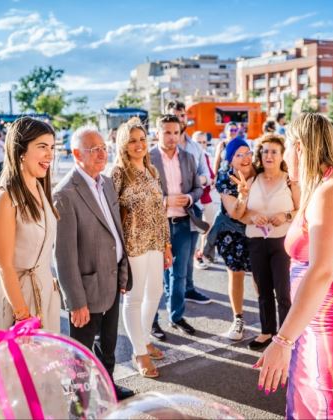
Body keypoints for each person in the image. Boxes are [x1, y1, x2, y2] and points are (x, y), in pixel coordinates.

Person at [256, 113, 333, 419]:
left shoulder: (330, 191)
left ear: (299, 147)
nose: (284, 155)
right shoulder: (322, 187)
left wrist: (282, 339)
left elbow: (322, 271)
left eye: (286, 147)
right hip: (316, 324)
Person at [53, 125, 134, 400]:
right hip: (86, 288)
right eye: (94, 149)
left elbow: (115, 232)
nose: (102, 153)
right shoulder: (65, 193)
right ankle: (79, 403)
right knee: (81, 352)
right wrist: (76, 301)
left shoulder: (106, 181)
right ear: (77, 154)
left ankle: (107, 387)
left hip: (110, 280)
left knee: (108, 345)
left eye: (103, 147)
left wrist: (122, 272)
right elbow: (63, 255)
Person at [0, 116, 61, 333]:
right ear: (21, 151)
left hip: (44, 298)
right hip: (14, 304)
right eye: (42, 147)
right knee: (15, 367)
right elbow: (3, 264)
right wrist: (23, 316)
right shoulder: (5, 197)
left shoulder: (39, 186)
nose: (50, 154)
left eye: (52, 147)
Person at [111, 118, 171, 379]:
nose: (139, 144)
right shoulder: (118, 173)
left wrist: (167, 244)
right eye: (133, 140)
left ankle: (144, 338)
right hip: (133, 244)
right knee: (133, 299)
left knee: (156, 291)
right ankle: (139, 352)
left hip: (156, 242)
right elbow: (111, 215)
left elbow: (161, 211)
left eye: (142, 139)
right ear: (123, 144)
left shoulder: (152, 170)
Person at [239, 134, 299, 350]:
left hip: (282, 241)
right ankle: (266, 332)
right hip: (256, 240)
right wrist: (252, 216)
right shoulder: (252, 180)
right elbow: (241, 215)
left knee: (283, 292)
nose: (269, 155)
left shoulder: (290, 180)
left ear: (282, 155)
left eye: (274, 151)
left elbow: (301, 210)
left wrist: (286, 216)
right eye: (265, 151)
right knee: (263, 290)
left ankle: (285, 336)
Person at [149, 114, 204, 339]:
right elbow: (140, 193)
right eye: (167, 132)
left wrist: (190, 198)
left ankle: (176, 316)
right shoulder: (147, 157)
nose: (172, 137)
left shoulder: (189, 157)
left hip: (182, 222)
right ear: (157, 133)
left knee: (178, 275)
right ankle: (151, 321)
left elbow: (198, 189)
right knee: (154, 277)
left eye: (176, 132)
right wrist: (164, 201)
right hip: (156, 225)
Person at [165, 101, 212, 304]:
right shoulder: (157, 150)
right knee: (168, 258)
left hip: (193, 208)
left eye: (182, 115)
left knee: (189, 253)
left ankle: (189, 289)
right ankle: (171, 294)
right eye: (174, 115)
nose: (179, 119)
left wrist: (193, 185)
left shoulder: (194, 147)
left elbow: (206, 175)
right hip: (168, 212)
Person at [212, 138, 256, 340]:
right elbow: (235, 213)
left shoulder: (262, 173)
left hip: (259, 231)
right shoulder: (225, 178)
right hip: (233, 234)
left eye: (248, 153)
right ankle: (238, 319)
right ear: (230, 160)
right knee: (236, 275)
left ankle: (267, 316)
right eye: (239, 155)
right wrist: (243, 195)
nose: (245, 158)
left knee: (260, 277)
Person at [192, 131, 217, 270]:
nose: (201, 145)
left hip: (206, 198)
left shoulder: (206, 157)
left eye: (204, 142)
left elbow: (212, 177)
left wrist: (210, 181)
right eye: (198, 142)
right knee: (193, 230)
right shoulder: (187, 157)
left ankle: (202, 253)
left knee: (207, 227)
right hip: (193, 200)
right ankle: (196, 255)